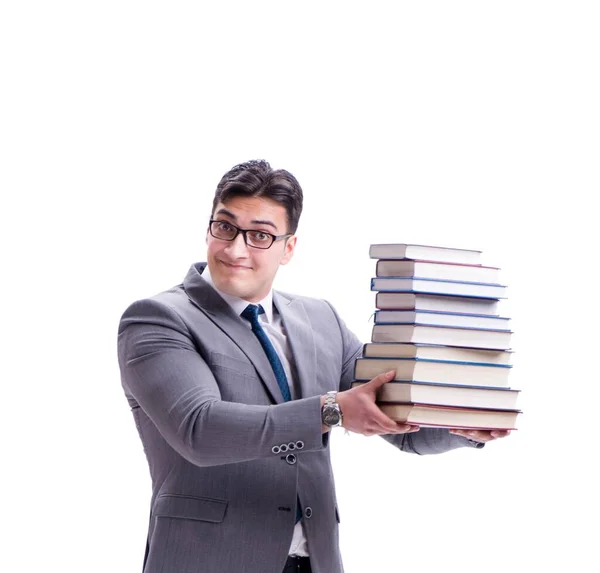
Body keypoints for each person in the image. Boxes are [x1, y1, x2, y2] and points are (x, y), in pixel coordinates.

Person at [117, 159, 509, 573]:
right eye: (225, 227)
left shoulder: (320, 320)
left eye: (260, 236)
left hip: (315, 562)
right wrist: (332, 410)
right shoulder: (157, 319)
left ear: (288, 248)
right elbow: (200, 430)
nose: (236, 249)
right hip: (210, 559)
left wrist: (458, 424)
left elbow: (398, 424)